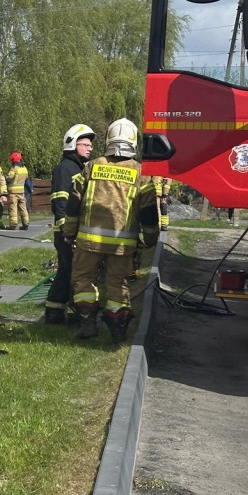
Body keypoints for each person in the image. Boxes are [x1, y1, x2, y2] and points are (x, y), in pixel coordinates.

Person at [62, 118, 159, 342]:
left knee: (84, 281)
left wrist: (69, 232)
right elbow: (148, 213)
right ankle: (117, 331)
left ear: (109, 138)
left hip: (88, 242)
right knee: (118, 285)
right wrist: (151, 239)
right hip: (122, 245)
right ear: (134, 141)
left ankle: (88, 324)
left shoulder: (91, 166)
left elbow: (73, 203)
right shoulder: (141, 173)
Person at [43, 124, 95, 325]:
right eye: (85, 144)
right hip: (67, 232)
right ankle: (80, 314)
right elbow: (60, 201)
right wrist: (68, 232)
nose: (89, 148)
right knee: (76, 272)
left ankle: (54, 312)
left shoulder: (78, 167)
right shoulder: (65, 169)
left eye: (90, 145)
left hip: (72, 231)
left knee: (66, 272)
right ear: (73, 144)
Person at [4, 151, 30, 230]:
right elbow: (26, 180)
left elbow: (9, 179)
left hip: (13, 193)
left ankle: (13, 224)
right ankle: (26, 223)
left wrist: (4, 177)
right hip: (22, 192)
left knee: (13, 208)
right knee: (23, 208)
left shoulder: (14, 169)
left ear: (13, 160)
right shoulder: (25, 169)